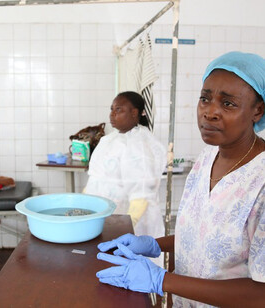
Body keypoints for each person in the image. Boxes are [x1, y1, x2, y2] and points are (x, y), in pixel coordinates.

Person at [95, 51, 265, 307]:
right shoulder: (207, 158)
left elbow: (260, 294)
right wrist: (154, 244)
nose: (210, 112)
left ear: (258, 110)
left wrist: (162, 281)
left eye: (228, 103)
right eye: (205, 99)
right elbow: (202, 236)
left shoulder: (260, 183)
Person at [84, 91, 166, 241]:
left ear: (134, 113)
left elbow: (142, 193)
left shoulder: (140, 145)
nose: (112, 114)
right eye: (111, 109)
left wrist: (127, 227)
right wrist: (85, 206)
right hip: (103, 219)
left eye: (118, 109)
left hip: (129, 226)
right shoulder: (109, 140)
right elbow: (95, 179)